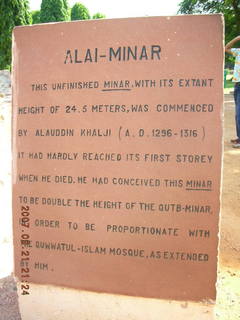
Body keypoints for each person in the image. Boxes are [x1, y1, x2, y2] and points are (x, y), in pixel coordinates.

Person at [225, 36, 240, 148]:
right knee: (237, 114)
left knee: (239, 114)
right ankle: (239, 137)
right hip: (237, 85)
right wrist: (237, 38)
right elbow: (226, 48)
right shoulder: (238, 52)